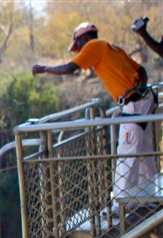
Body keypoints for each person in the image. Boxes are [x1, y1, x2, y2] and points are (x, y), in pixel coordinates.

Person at [32, 22, 156, 204]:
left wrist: (44, 69)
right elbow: (141, 70)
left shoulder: (93, 45)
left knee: (127, 151)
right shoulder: (110, 47)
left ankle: (120, 204)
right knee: (143, 148)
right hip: (143, 100)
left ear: (83, 38)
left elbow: (69, 68)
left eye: (78, 45)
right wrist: (140, 87)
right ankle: (149, 194)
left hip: (135, 104)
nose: (79, 50)